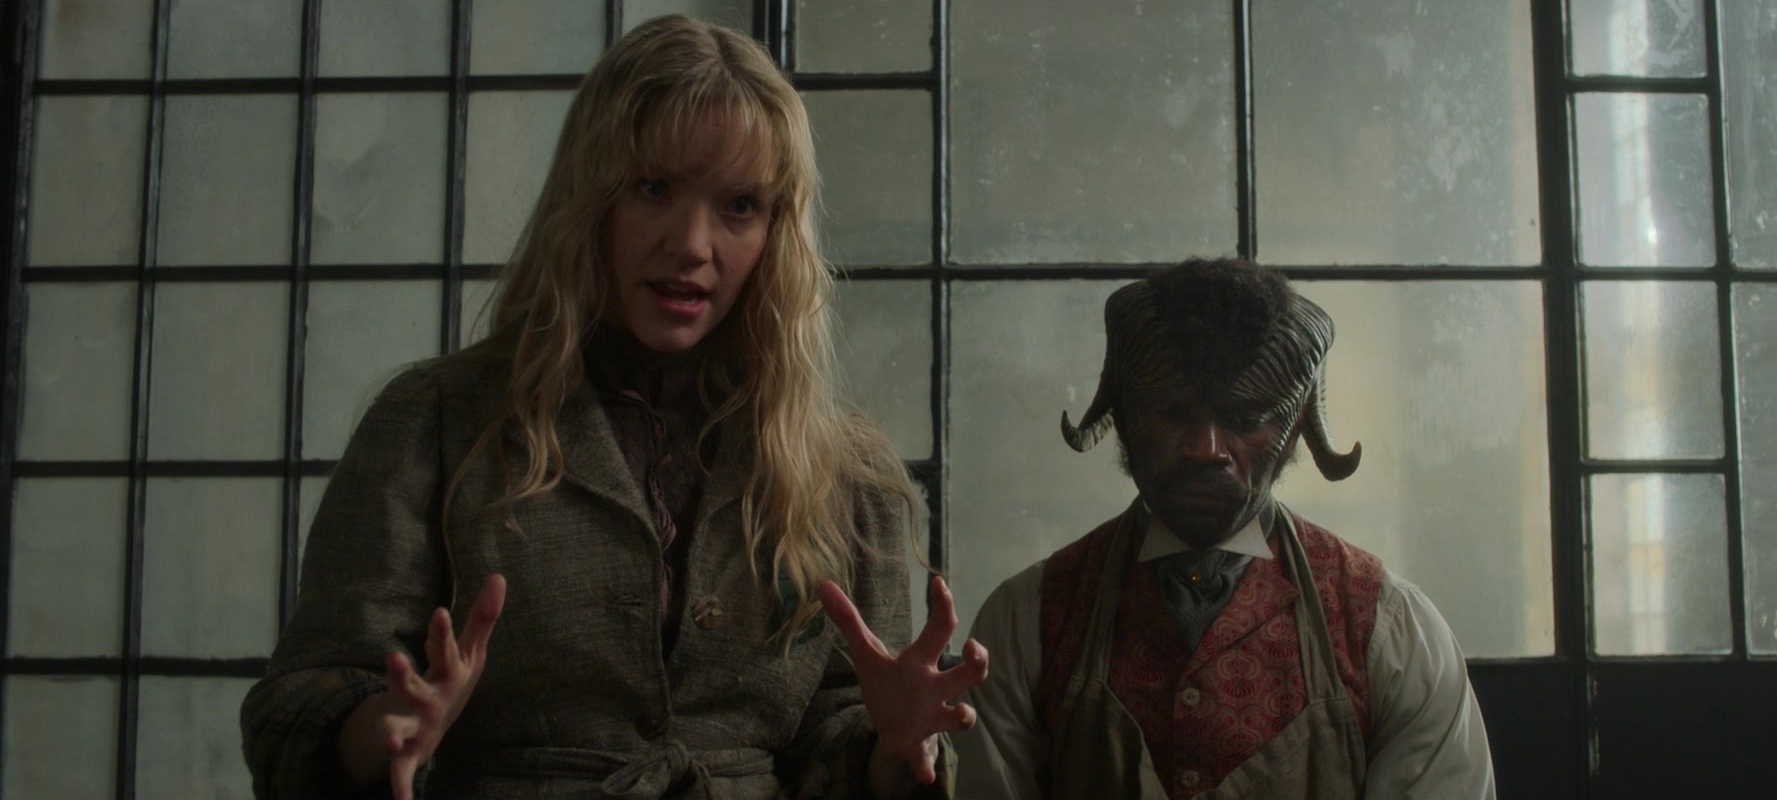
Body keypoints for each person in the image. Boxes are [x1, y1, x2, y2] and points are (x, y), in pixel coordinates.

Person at [241, 15, 986, 800]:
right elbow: (297, 707)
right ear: (587, 198)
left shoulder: (843, 473)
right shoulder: (437, 423)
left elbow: (845, 729)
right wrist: (378, 727)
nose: (692, 243)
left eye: (739, 205)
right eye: (653, 189)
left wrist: (895, 750)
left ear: (778, 231)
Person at [952, 258, 1496, 799]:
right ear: (1123, 415)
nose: (1206, 449)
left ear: (1295, 426)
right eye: (1171, 412)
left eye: (1244, 418)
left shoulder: (1386, 628)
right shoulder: (1027, 620)